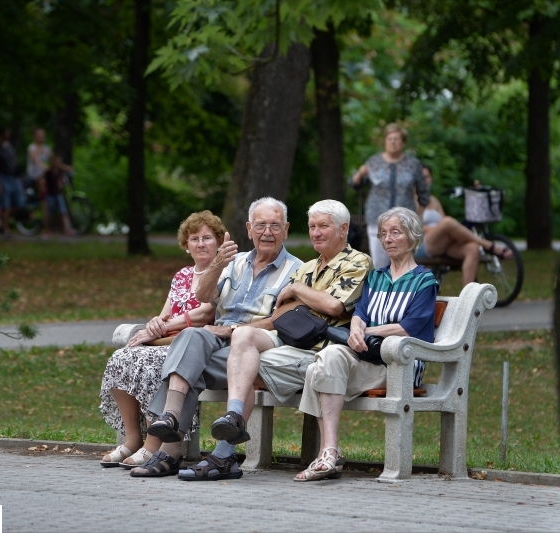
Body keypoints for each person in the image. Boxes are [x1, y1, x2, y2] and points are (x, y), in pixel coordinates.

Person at [182, 199, 373, 481]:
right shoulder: (308, 268)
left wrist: (297, 290)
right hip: (292, 344)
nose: (316, 233)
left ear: (343, 229)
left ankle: (222, 456)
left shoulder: (357, 261)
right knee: (244, 338)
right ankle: (233, 419)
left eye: (323, 226)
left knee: (238, 365)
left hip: (323, 352)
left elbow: (334, 306)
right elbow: (281, 314)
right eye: (312, 227)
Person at [128, 197, 303, 478]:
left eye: (274, 225)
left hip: (257, 341)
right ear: (248, 228)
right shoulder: (234, 263)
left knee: (191, 367)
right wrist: (216, 266)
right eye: (260, 225)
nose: (267, 232)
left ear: (286, 229)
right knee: (191, 337)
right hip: (217, 340)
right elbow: (204, 297)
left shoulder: (297, 269)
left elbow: (281, 319)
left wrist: (228, 330)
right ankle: (171, 418)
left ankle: (179, 451)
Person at [295, 207, 438, 481]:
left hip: (400, 365)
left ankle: (328, 456)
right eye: (384, 234)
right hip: (366, 358)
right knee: (327, 359)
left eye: (395, 233)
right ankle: (330, 452)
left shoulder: (424, 281)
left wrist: (369, 330)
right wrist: (357, 327)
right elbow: (361, 311)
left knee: (317, 373)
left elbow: (410, 326)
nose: (388, 239)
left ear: (413, 236)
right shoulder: (376, 277)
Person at [98, 211, 225, 467]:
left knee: (151, 364)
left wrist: (165, 324)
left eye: (207, 238)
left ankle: (153, 445)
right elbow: (164, 313)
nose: (201, 243)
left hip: (196, 345)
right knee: (121, 358)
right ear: (186, 246)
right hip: (167, 339)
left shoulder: (224, 272)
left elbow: (206, 312)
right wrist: (156, 323)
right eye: (194, 239)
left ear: (219, 242)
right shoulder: (181, 276)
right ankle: (133, 439)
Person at [415, 164, 512, 286]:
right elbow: (415, 228)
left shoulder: (434, 200)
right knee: (447, 222)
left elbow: (444, 222)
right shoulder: (412, 199)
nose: (424, 180)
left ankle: (467, 299)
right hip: (424, 243)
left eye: (427, 177)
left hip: (444, 242)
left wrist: (443, 230)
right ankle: (487, 245)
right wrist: (438, 229)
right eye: (421, 177)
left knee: (472, 248)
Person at [350, 123, 430, 269]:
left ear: (403, 142)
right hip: (377, 219)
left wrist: (419, 217)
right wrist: (360, 174)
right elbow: (355, 185)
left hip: (405, 221)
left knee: (403, 261)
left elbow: (424, 192)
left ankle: (404, 289)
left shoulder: (413, 164)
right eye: (389, 139)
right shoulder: (374, 162)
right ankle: (381, 290)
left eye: (397, 139)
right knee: (379, 263)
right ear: (385, 141)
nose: (393, 142)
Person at [0, 127, 24, 237]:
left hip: (13, 177)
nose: (8, 134)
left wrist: (19, 176)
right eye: (6, 132)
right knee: (5, 204)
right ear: (1, 134)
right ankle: (5, 229)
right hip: (2, 177)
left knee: (19, 202)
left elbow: (14, 160)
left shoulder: (9, 146)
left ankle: (0, 222)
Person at [41, 154, 75, 236]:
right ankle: (47, 229)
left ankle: (66, 229)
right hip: (50, 195)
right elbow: (43, 182)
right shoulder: (48, 172)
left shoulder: (60, 172)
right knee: (48, 213)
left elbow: (65, 176)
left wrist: (61, 183)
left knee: (63, 211)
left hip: (58, 194)